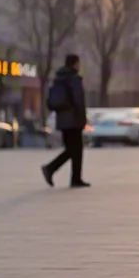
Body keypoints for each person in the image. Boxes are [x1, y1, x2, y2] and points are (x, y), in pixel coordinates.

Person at [41, 54, 90, 188]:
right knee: (76, 150)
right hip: (74, 119)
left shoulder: (59, 78)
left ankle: (56, 171)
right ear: (75, 64)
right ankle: (57, 171)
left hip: (63, 119)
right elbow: (78, 99)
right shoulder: (74, 78)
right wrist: (83, 118)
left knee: (71, 149)